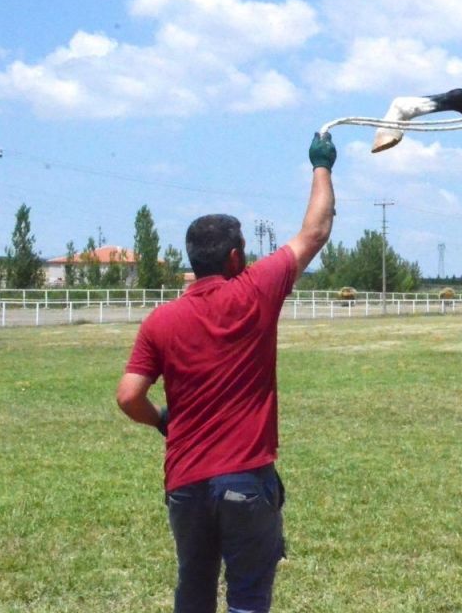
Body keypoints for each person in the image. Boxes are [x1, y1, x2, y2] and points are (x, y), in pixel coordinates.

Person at [116, 133, 338, 612]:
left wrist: (162, 420)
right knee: (249, 597)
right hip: (246, 481)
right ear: (235, 258)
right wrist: (322, 166)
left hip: (186, 484)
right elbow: (315, 232)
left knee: (193, 591)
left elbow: (128, 395)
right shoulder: (254, 291)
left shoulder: (161, 321)